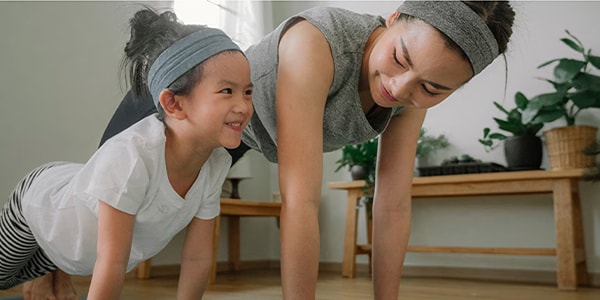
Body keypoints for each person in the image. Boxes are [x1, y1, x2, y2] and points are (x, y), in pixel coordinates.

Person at [99, 1, 515, 299]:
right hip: (184, 111)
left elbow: (392, 204)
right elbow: (299, 202)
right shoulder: (318, 41)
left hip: (238, 139)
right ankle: (48, 272)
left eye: (432, 88)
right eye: (400, 58)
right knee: (93, 208)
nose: (399, 88)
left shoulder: (407, 97)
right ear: (393, 19)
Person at [0, 8, 253, 300]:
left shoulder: (216, 162)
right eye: (227, 91)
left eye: (247, 92)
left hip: (72, 245)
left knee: (57, 258)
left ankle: (49, 273)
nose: (244, 106)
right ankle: (47, 274)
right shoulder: (133, 157)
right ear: (174, 104)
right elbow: (112, 262)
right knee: (5, 277)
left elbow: (197, 259)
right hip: (40, 205)